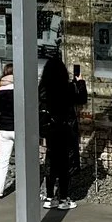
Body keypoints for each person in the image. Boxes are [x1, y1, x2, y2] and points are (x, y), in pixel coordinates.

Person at [40, 54, 86, 209]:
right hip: (65, 129)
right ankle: (64, 198)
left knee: (51, 160)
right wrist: (80, 82)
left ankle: (49, 196)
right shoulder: (67, 88)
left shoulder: (43, 89)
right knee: (64, 162)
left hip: (50, 129)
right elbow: (81, 99)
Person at [0, 66, 18, 198]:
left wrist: (3, 121)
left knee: (2, 160)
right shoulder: (19, 89)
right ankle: (27, 189)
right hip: (19, 129)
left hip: (5, 129)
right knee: (26, 160)